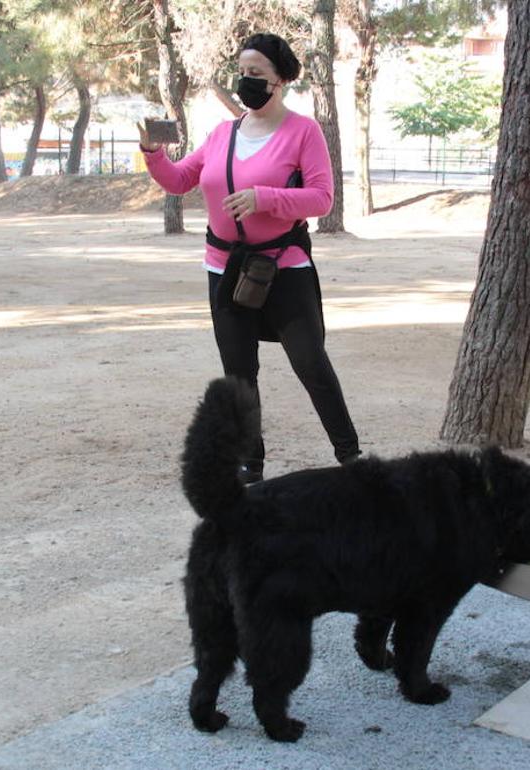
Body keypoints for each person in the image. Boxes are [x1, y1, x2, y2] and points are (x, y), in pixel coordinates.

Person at [139, 32, 360, 483]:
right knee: (239, 372)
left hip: (283, 265)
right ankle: (250, 466)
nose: (246, 82)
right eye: (242, 73)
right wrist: (151, 152)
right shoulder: (223, 133)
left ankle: (353, 460)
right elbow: (180, 180)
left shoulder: (304, 132)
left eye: (256, 74)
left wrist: (265, 199)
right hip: (224, 268)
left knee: (310, 363)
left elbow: (321, 199)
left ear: (280, 79)